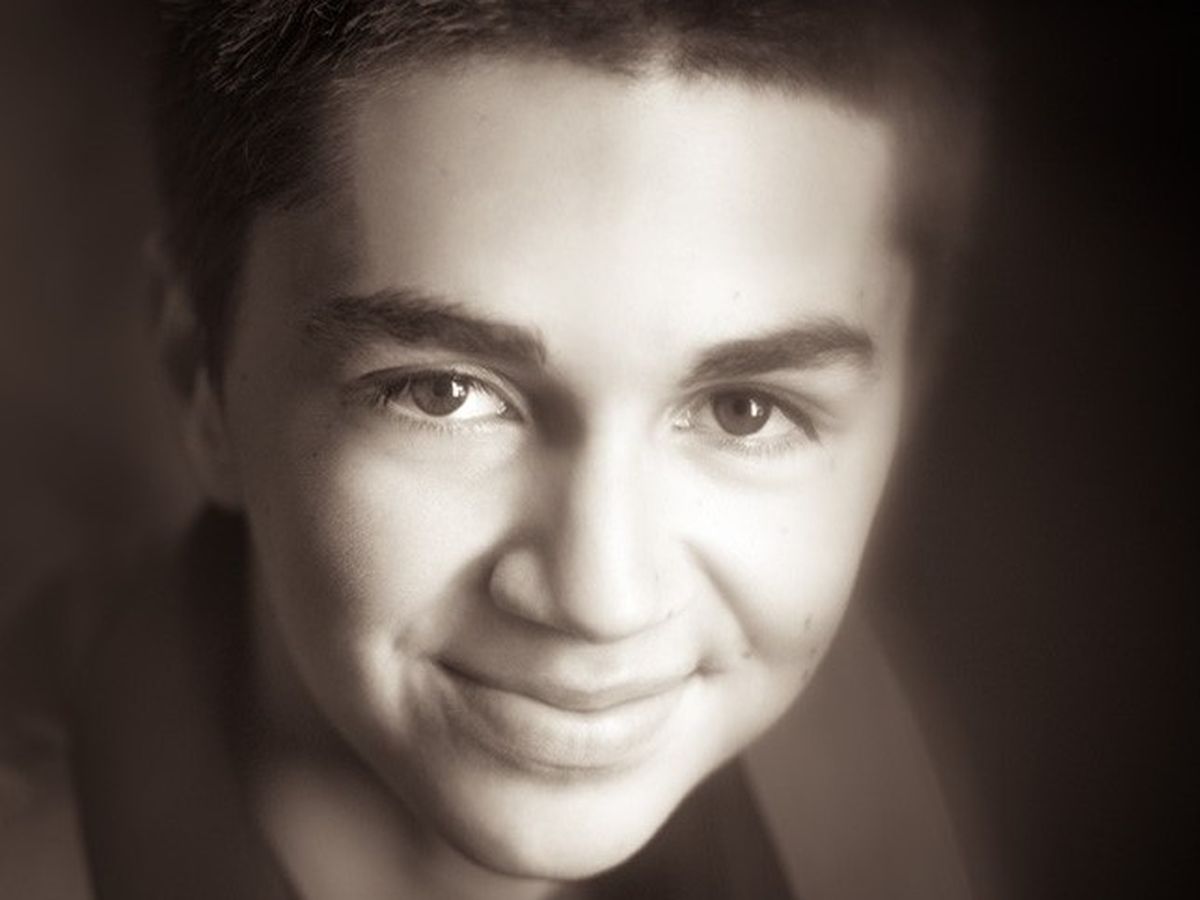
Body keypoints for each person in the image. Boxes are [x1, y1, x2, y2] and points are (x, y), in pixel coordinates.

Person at [2, 2, 984, 898]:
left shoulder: (838, 736)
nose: (603, 603)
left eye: (745, 413)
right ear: (200, 381)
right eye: (444, 393)